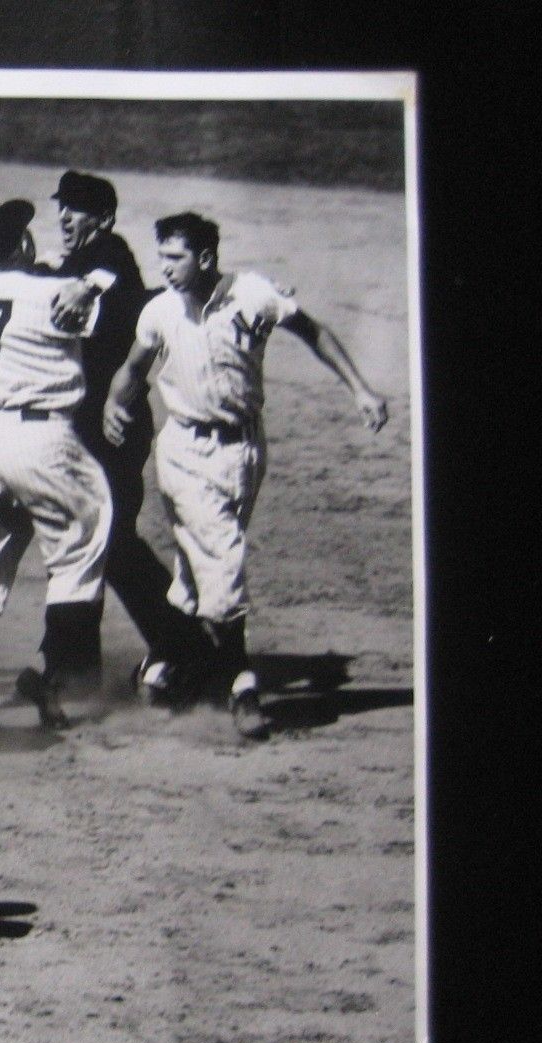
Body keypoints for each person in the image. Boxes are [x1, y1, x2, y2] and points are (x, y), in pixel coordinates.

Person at [103, 211, 389, 738]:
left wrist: (361, 390)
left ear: (206, 258)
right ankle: (241, 686)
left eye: (175, 257)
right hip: (185, 452)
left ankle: (161, 668)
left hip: (248, 450)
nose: (163, 267)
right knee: (224, 558)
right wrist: (115, 405)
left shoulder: (254, 294)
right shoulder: (160, 311)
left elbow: (313, 332)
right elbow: (133, 368)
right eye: (161, 255)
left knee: (196, 571)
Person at [0, 200, 116, 729]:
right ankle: (52, 682)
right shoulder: (54, 296)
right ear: (22, 244)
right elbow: (119, 292)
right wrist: (95, 280)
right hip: (40, 440)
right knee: (80, 549)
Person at [49, 170, 211, 701]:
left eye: (76, 209)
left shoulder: (110, 254)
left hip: (112, 425)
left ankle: (185, 650)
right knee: (94, 541)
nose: (65, 217)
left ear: (104, 219)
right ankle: (80, 667)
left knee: (107, 542)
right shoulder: (75, 262)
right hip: (89, 425)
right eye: (62, 207)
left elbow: (107, 281)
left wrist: (79, 283)